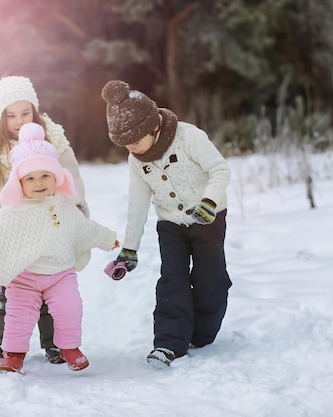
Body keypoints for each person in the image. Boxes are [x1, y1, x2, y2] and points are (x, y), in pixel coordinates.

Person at [101, 80, 232, 368]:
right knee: (172, 280)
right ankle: (169, 343)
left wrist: (208, 202)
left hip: (208, 220)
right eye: (124, 143)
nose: (130, 147)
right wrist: (129, 249)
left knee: (211, 281)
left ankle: (200, 334)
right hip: (170, 225)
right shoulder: (137, 160)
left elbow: (219, 170)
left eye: (134, 139)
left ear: (152, 126)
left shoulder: (188, 137)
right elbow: (137, 203)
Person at [0, 122, 119, 373]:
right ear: (19, 182)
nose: (38, 183)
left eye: (45, 176)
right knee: (18, 315)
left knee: (70, 308)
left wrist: (106, 238)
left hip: (60, 273)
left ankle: (70, 348)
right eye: (30, 178)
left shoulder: (63, 204)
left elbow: (83, 228)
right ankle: (14, 355)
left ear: (56, 177)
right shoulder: (13, 211)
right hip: (25, 276)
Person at [0, 76, 90, 364]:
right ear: (1, 117)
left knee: (49, 286)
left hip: (47, 225)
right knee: (5, 288)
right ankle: (2, 342)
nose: (20, 120)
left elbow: (71, 173)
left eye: (25, 113)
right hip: (9, 227)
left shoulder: (54, 137)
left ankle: (54, 344)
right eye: (11, 115)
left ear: (34, 110)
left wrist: (75, 206)